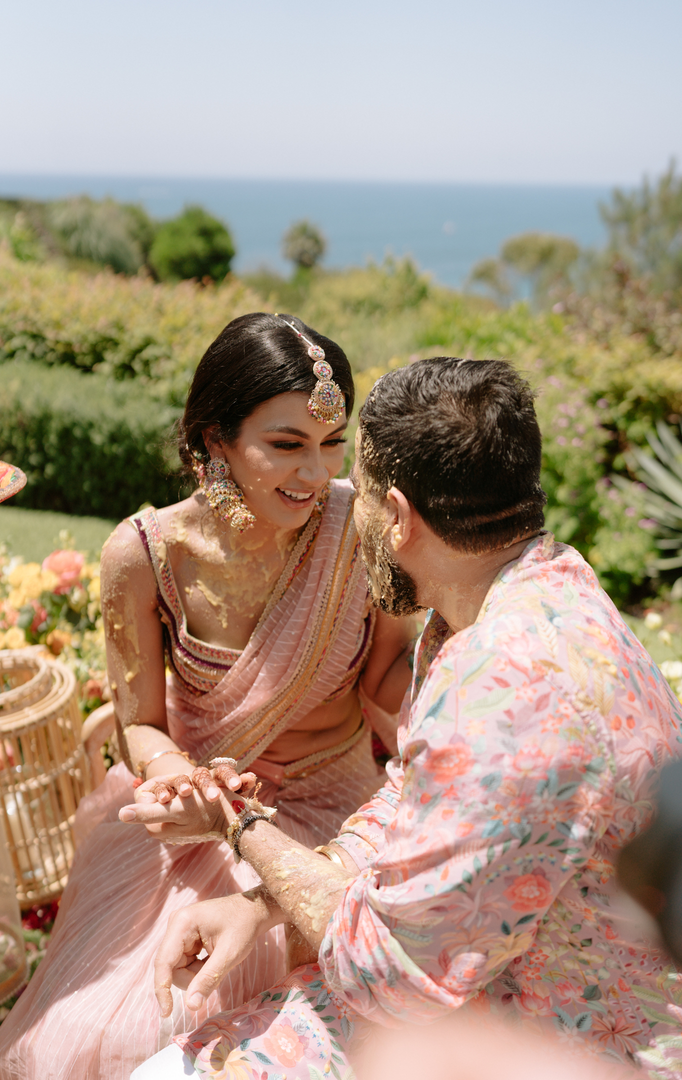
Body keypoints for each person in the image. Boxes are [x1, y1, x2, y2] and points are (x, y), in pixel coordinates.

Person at [131, 357, 682, 1080]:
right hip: (479, 983)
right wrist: (261, 905)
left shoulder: (506, 692)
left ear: (396, 515)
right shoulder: (528, 593)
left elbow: (385, 976)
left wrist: (239, 827)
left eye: (353, 491)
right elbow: (411, 797)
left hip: (558, 1041)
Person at [0, 314, 414, 1080]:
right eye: (286, 445)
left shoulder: (362, 527)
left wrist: (468, 694)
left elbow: (387, 678)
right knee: (120, 1025)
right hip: (192, 818)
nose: (315, 473)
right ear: (214, 439)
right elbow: (139, 724)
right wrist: (182, 775)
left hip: (337, 820)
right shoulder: (143, 554)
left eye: (331, 443)